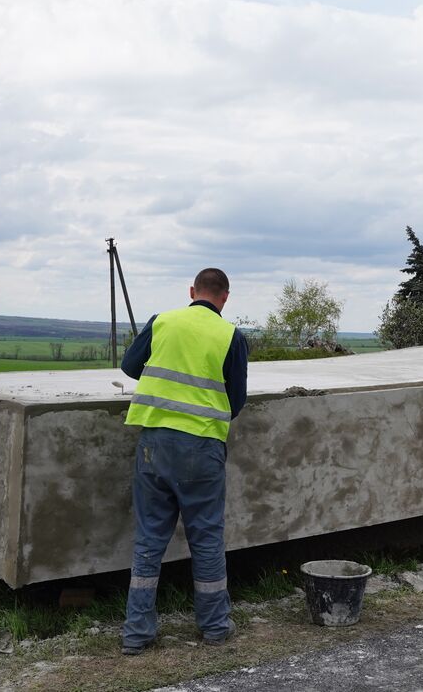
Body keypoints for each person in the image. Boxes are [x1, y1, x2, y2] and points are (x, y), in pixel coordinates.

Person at [118, 267, 249, 655]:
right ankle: (214, 628)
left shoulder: (162, 321)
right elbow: (236, 401)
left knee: (148, 540)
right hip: (202, 449)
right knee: (206, 538)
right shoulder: (231, 336)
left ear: (192, 291)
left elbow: (129, 366)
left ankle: (137, 635)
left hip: (153, 443)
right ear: (225, 297)